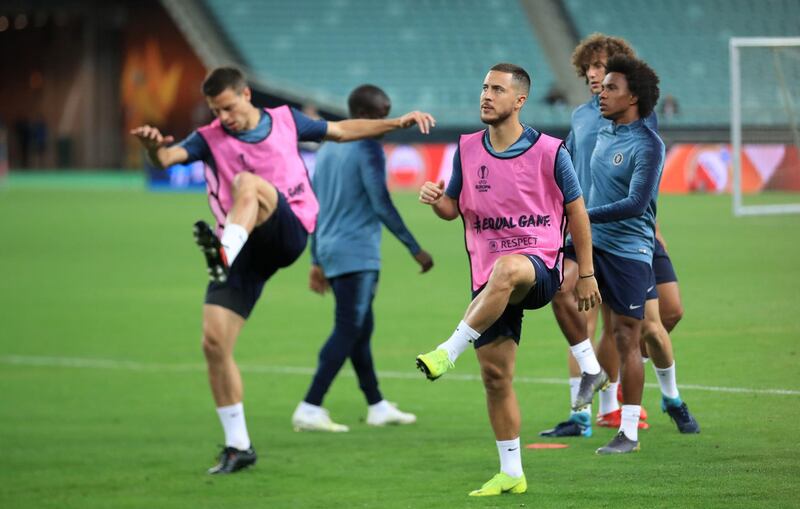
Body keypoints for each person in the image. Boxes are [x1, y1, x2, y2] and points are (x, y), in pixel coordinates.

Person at [130, 67, 435, 474]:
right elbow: (167, 158)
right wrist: (153, 149)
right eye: (216, 111)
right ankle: (239, 446)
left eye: (229, 107)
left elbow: (342, 130)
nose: (224, 118)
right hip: (242, 251)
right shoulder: (209, 138)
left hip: (286, 230)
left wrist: (397, 123)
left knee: (248, 183)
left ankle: (222, 255)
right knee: (214, 343)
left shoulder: (287, 121)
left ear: (246, 94)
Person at [415, 63, 601, 496]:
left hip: (538, 268)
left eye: (497, 89)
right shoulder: (466, 149)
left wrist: (587, 273)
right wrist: (437, 200)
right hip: (490, 280)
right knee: (496, 378)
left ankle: (448, 350)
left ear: (519, 100)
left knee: (509, 267)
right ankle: (512, 472)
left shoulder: (552, 151)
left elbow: (577, 213)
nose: (485, 95)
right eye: (483, 87)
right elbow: (454, 209)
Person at [540, 34, 698, 440]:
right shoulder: (581, 117)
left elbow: (642, 184)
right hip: (590, 233)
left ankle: (662, 396)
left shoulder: (641, 123)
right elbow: (566, 165)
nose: (596, 75)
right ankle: (588, 414)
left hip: (633, 232)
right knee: (584, 313)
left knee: (663, 316)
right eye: (590, 68)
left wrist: (648, 225)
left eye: (604, 68)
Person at [291, 85, 433, 432]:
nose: (385, 123)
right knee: (348, 327)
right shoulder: (367, 146)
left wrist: (315, 258)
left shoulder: (327, 147)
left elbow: (316, 204)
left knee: (360, 329)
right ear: (367, 117)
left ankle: (376, 405)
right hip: (357, 251)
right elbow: (380, 203)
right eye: (382, 116)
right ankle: (310, 406)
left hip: (330, 247)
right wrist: (414, 247)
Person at [582, 54, 671, 454]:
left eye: (611, 87)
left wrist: (581, 214)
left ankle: (629, 432)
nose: (601, 92)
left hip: (629, 250)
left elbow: (637, 203)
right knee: (560, 288)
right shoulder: (604, 132)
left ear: (633, 96)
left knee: (626, 338)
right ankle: (589, 368)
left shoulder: (648, 145)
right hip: (592, 242)